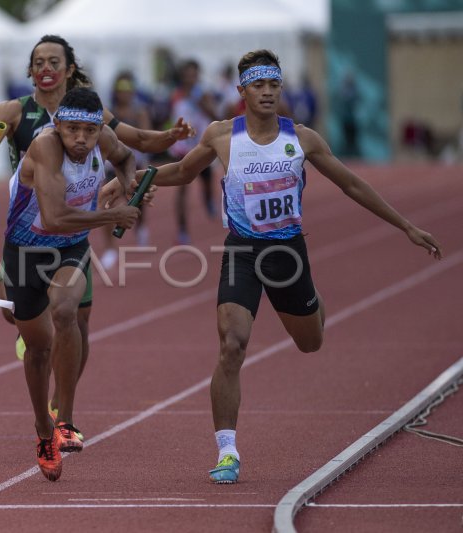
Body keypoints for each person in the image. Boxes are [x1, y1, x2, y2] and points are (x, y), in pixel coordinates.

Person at [148, 49, 443, 484]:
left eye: (273, 85)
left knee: (310, 342)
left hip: (287, 254)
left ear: (280, 88)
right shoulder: (221, 135)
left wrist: (406, 227)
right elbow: (182, 172)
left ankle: (313, 299)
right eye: (258, 85)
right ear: (242, 91)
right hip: (242, 251)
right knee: (232, 343)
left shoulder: (302, 139)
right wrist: (137, 178)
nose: (267, 92)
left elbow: (351, 184)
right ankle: (227, 450)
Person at [0, 34, 192, 433]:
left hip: (71, 242)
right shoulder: (16, 112)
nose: (45, 69)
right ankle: (31, 339)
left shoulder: (94, 118)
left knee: (74, 316)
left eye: (54, 61)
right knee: (35, 336)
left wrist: (137, 178)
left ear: (69, 69)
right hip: (28, 237)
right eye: (38, 62)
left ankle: (63, 412)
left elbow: (132, 147)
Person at [2, 87, 140, 480]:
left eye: (90, 131)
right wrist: (110, 215)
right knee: (37, 349)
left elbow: (128, 158)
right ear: (57, 125)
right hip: (26, 251)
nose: (82, 139)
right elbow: (55, 215)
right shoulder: (46, 147)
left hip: (70, 249)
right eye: (73, 129)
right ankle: (42, 430)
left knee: (66, 313)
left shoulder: (104, 138)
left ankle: (65, 420)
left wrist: (126, 186)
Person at [99, 72, 154, 270]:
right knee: (106, 204)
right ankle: (110, 249)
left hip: (135, 164)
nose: (125, 95)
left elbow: (144, 137)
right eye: (121, 91)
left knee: (139, 203)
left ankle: (141, 228)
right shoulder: (110, 113)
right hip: (113, 165)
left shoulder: (139, 112)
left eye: (128, 91)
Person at [168, 59, 220, 242]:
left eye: (193, 74)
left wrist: (201, 104)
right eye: (187, 74)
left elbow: (216, 116)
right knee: (181, 189)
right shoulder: (176, 95)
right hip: (183, 148)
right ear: (182, 76)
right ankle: (182, 229)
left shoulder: (203, 94)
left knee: (206, 182)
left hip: (202, 147)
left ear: (198, 75)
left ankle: (208, 200)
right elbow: (171, 118)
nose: (190, 78)